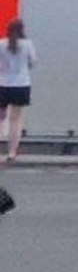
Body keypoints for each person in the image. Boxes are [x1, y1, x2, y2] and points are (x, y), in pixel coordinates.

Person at [0, 19, 33, 164]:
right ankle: (12, 152)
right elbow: (33, 62)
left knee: (2, 117)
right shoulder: (27, 44)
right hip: (22, 84)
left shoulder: (2, 44)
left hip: (3, 83)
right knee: (16, 119)